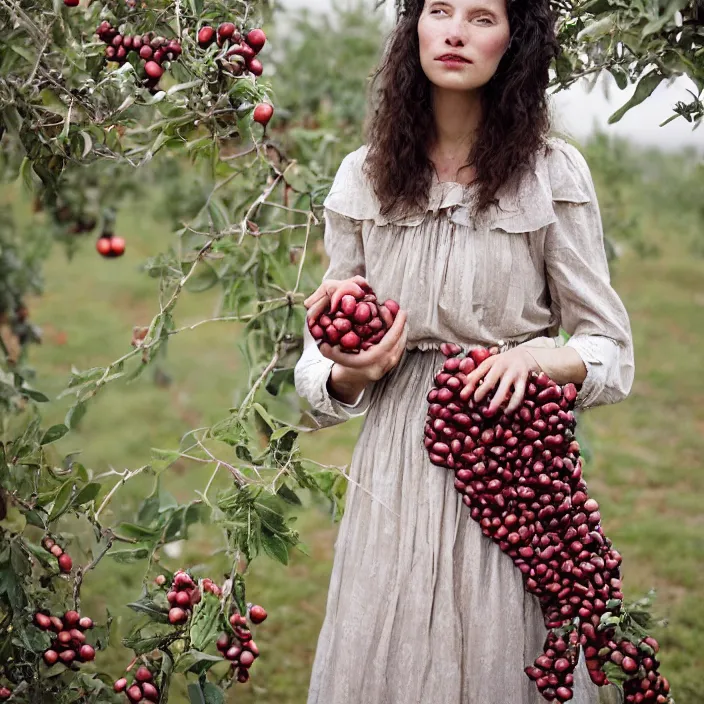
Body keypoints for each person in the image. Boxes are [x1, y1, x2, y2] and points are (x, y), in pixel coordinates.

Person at [294, 0, 634, 702]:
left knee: (498, 650)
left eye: (482, 16)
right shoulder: (364, 177)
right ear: (413, 29)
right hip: (395, 458)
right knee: (385, 644)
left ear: (516, 41)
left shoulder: (552, 175)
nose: (454, 31)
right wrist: (352, 368)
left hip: (506, 460)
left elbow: (609, 348)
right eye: (439, 10)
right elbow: (315, 365)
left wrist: (541, 357)